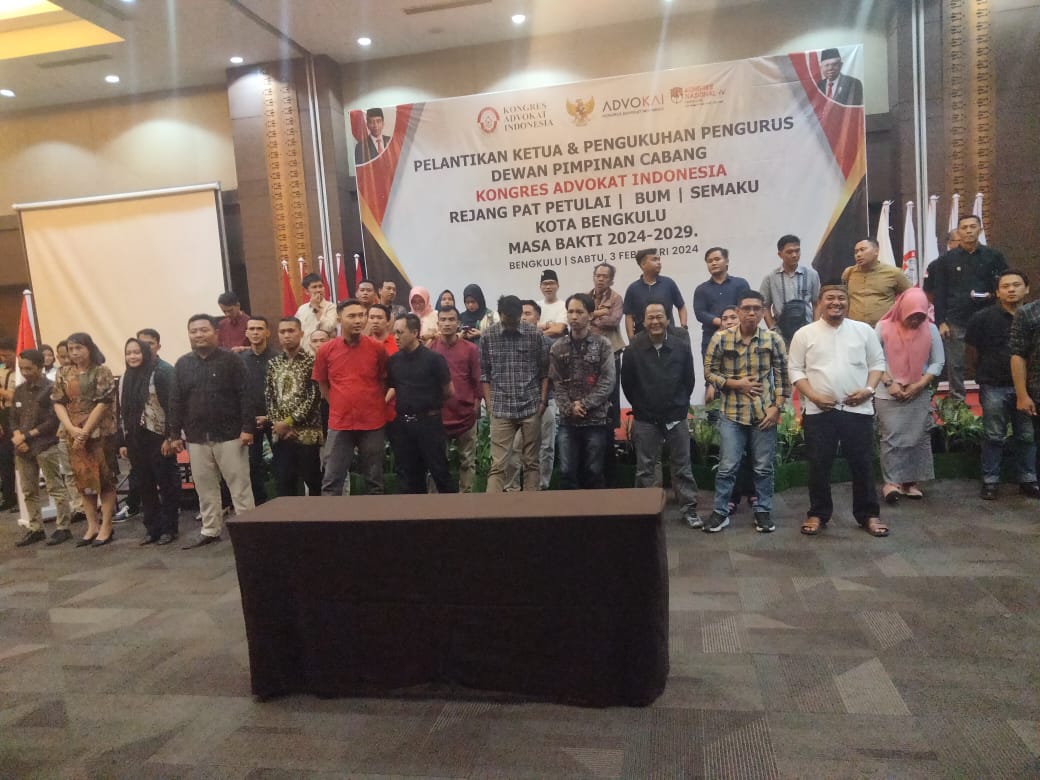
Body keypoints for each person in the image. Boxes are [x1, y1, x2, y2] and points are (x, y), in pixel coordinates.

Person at [789, 286, 887, 537]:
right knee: (818, 465)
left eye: (842, 298)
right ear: (819, 302)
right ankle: (818, 513)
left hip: (858, 409)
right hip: (819, 411)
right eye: (830, 298)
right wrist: (814, 396)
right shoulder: (804, 334)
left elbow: (877, 363)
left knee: (862, 464)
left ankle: (869, 515)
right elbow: (796, 370)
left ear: (848, 302)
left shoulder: (863, 330)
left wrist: (868, 389)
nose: (836, 302)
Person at [704, 291, 790, 533]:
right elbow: (709, 372)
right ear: (738, 311)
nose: (751, 313)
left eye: (756, 308)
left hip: (764, 414)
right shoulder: (721, 338)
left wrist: (776, 408)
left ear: (763, 312)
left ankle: (763, 511)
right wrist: (736, 384)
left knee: (763, 467)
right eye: (746, 308)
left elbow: (783, 377)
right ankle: (720, 512)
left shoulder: (773, 339)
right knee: (727, 467)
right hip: (732, 413)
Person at [169, 314, 255, 549]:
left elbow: (246, 395)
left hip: (231, 435)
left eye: (203, 330)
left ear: (216, 333)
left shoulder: (232, 360)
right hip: (196, 437)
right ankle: (210, 529)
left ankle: (248, 530)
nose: (198, 335)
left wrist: (248, 428)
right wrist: (174, 434)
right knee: (205, 487)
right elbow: (176, 400)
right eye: (193, 331)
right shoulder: (182, 364)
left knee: (239, 486)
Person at [621, 303, 700, 528]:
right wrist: (641, 406)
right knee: (646, 467)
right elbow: (627, 383)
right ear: (643, 321)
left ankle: (689, 509)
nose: (655, 321)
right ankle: (647, 511)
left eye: (659, 317)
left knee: (682, 465)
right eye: (650, 318)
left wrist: (680, 405)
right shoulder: (633, 348)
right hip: (646, 417)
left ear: (667, 320)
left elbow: (689, 380)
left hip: (676, 415)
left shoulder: (681, 346)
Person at [968, 271, 1038, 499]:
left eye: (1016, 285)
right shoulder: (982, 318)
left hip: (1027, 388)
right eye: (1005, 286)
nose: (1011, 290)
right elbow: (972, 352)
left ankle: (1028, 479)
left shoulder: (1034, 317)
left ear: (1027, 289)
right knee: (993, 435)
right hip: (993, 385)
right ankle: (991, 481)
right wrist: (983, 373)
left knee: (1026, 435)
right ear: (997, 292)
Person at [874, 288, 944, 503]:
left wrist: (919, 385)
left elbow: (938, 362)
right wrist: (890, 383)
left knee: (917, 437)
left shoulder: (930, 329)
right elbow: (874, 358)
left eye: (920, 316)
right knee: (891, 437)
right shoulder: (883, 327)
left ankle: (910, 483)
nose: (916, 321)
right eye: (912, 316)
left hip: (918, 391)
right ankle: (891, 482)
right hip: (887, 392)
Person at [929, 214, 1009, 399]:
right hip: (956, 318)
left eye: (973, 227)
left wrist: (994, 294)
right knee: (955, 363)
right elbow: (939, 292)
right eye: (964, 228)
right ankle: (957, 400)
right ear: (958, 232)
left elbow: (1006, 281)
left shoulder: (993, 256)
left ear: (980, 230)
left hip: (987, 317)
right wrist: (941, 321)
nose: (968, 231)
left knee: (989, 358)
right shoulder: (946, 260)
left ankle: (990, 396)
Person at [313, 299, 388, 496]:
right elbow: (323, 384)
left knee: (375, 482)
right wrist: (339, 404)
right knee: (331, 481)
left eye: (361, 315)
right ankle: (332, 518)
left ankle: (377, 517)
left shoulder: (377, 348)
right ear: (339, 319)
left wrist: (371, 403)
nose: (358, 320)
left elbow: (384, 381)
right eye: (352, 316)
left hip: (372, 423)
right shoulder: (326, 350)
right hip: (340, 423)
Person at [51, 332, 118, 546]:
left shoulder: (101, 371)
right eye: (71, 349)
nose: (75, 353)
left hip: (99, 433)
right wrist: (71, 429)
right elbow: (58, 402)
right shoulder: (63, 372)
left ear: (89, 348)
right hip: (73, 432)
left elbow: (103, 403)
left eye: (79, 348)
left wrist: (85, 431)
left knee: (104, 480)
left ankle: (106, 525)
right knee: (83, 481)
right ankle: (92, 525)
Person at [480, 295, 548, 493]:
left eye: (514, 319)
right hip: (501, 408)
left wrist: (542, 402)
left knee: (531, 463)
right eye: (506, 320)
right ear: (500, 314)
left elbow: (545, 372)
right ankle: (491, 510)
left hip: (530, 406)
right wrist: (490, 405)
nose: (510, 324)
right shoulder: (488, 336)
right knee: (497, 466)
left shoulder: (535, 335)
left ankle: (531, 508)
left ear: (520, 315)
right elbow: (485, 374)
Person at [118, 338, 181, 545]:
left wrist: (170, 437)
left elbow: (172, 406)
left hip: (159, 438)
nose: (132, 356)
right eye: (129, 353)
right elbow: (122, 411)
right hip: (136, 439)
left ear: (145, 353)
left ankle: (169, 528)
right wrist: (123, 442)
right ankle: (152, 528)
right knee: (144, 485)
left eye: (137, 352)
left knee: (166, 483)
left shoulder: (160, 372)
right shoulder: (127, 376)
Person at [549, 293, 615, 489]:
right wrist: (570, 407)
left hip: (595, 419)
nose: (574, 317)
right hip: (568, 420)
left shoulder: (603, 344)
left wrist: (584, 404)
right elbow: (556, 383)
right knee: (566, 472)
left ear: (591, 315)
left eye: (579, 312)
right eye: (570, 312)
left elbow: (607, 381)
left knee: (594, 471)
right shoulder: (558, 347)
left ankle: (596, 509)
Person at [386, 314, 456, 494]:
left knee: (440, 471)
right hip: (403, 425)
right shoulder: (394, 361)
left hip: (429, 423)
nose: (396, 337)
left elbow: (449, 391)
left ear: (415, 332)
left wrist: (428, 404)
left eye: (400, 332)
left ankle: (453, 510)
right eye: (394, 332)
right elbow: (394, 387)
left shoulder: (434, 359)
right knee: (408, 476)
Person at [10, 349, 72, 546]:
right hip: (22, 448)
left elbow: (52, 421)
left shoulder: (51, 389)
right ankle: (35, 528)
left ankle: (63, 527)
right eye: (22, 368)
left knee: (55, 487)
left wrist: (26, 436)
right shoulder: (20, 390)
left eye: (29, 368)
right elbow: (13, 418)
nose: (25, 372)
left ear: (39, 366)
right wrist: (17, 437)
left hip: (45, 445)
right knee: (28, 490)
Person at [265, 317, 323, 497]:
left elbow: (313, 397)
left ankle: (317, 515)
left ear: (301, 333)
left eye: (291, 331)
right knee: (284, 482)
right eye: (282, 332)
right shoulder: (273, 363)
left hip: (307, 433)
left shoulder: (312, 362)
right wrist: (279, 424)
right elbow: (269, 396)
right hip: (281, 434)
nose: (287, 335)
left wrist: (289, 422)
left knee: (313, 482)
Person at [430, 305, 482, 492]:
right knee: (436, 463)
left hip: (466, 415)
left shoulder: (471, 349)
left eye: (451, 319)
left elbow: (477, 380)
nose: (447, 323)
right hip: (438, 416)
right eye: (443, 320)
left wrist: (476, 406)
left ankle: (466, 501)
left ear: (459, 323)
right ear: (437, 323)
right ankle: (435, 503)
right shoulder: (431, 348)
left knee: (467, 461)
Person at [240, 316, 278, 506]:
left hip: (276, 420)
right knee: (252, 465)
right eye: (252, 329)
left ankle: (282, 504)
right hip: (249, 421)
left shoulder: (278, 358)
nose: (255, 332)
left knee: (281, 463)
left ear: (267, 332)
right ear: (246, 333)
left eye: (260, 328)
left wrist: (270, 417)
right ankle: (260, 506)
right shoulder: (239, 360)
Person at [760, 234, 821, 345]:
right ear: (780, 254)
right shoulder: (770, 278)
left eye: (797, 251)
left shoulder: (812, 274)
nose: (794, 255)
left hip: (807, 331)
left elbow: (817, 303)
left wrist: (815, 327)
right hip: (781, 333)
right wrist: (773, 329)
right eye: (789, 252)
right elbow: (764, 306)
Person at [693, 246, 751, 357]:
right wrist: (721, 322)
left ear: (726, 261)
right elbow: (700, 313)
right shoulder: (701, 289)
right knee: (712, 368)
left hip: (739, 336)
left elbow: (746, 307)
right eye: (710, 261)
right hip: (711, 337)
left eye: (717, 259)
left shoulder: (741, 284)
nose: (713, 263)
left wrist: (732, 322)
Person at [842, 238, 913, 326]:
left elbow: (912, 296)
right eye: (856, 252)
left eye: (862, 250)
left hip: (883, 328)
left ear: (876, 251)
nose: (858, 254)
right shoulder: (849, 273)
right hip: (855, 328)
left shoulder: (894, 273)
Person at [623, 248, 687, 339]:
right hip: (642, 339)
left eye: (659, 260)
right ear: (643, 264)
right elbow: (629, 316)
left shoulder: (669, 283)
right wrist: (631, 338)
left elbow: (681, 307)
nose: (659, 263)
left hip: (669, 337)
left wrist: (683, 327)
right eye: (654, 260)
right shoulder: (633, 289)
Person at [295, 272, 337, 343]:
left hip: (323, 348)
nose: (318, 290)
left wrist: (316, 308)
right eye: (314, 287)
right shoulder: (302, 309)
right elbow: (296, 330)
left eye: (320, 286)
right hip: (304, 348)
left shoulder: (331, 307)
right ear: (307, 291)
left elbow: (329, 328)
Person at [0, 337, 15, 511]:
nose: (4, 359)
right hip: (3, 415)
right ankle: (9, 496)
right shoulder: (2, 371)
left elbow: (15, 396)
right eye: (1, 356)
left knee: (17, 457)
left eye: (7, 355)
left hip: (16, 413)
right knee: (4, 458)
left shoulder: (21, 372)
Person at [536, 270, 567, 338]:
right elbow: (528, 326)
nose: (548, 287)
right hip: (537, 343)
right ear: (540, 287)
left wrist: (536, 335)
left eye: (551, 283)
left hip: (557, 343)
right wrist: (547, 325)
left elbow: (558, 329)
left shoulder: (564, 306)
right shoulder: (535, 305)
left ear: (558, 286)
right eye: (545, 284)